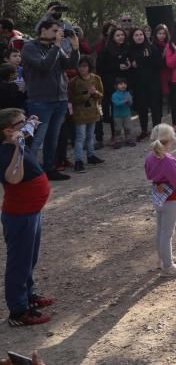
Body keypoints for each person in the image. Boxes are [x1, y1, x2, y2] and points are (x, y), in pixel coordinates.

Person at [0, 109, 56, 327]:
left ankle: (28, 295)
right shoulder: (6, 152)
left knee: (29, 259)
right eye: (20, 123)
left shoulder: (19, 141)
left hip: (32, 211)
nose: (25, 125)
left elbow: (30, 126)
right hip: (20, 215)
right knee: (19, 263)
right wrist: (17, 145)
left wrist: (30, 122)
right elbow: (14, 178)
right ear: (8, 131)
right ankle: (18, 310)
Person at [21, 19, 80, 181]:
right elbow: (44, 66)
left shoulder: (55, 47)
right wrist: (57, 45)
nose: (58, 34)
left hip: (59, 99)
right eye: (55, 31)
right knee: (37, 139)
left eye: (59, 31)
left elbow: (70, 64)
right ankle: (29, 172)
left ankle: (49, 169)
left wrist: (75, 48)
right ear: (43, 30)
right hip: (40, 101)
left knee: (52, 138)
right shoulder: (30, 48)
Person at [144, 124, 176, 277]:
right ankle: (168, 266)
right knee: (167, 233)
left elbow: (149, 176)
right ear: (170, 140)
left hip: (158, 197)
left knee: (160, 230)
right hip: (171, 199)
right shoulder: (168, 160)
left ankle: (162, 258)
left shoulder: (150, 156)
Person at [68, 58, 104, 173]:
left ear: (89, 67)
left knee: (90, 135)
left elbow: (101, 94)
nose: (82, 69)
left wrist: (95, 93)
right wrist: (87, 95)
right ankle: (78, 160)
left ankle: (91, 155)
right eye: (80, 66)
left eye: (85, 66)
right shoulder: (74, 82)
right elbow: (72, 99)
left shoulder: (96, 78)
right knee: (80, 137)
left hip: (92, 111)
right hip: (80, 114)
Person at [128, 28, 162, 142]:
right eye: (136, 35)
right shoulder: (130, 50)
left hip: (152, 83)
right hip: (138, 84)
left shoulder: (151, 48)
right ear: (132, 37)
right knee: (142, 108)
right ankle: (144, 131)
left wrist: (147, 59)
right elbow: (131, 66)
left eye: (141, 34)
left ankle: (157, 131)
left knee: (155, 108)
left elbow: (158, 64)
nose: (139, 37)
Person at [110, 77, 134, 148]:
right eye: (120, 84)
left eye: (124, 84)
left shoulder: (127, 93)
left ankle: (128, 139)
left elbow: (130, 103)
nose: (123, 85)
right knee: (118, 129)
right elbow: (116, 103)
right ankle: (117, 141)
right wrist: (125, 101)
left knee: (128, 127)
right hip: (117, 116)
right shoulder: (114, 95)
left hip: (127, 114)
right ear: (116, 86)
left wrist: (129, 101)